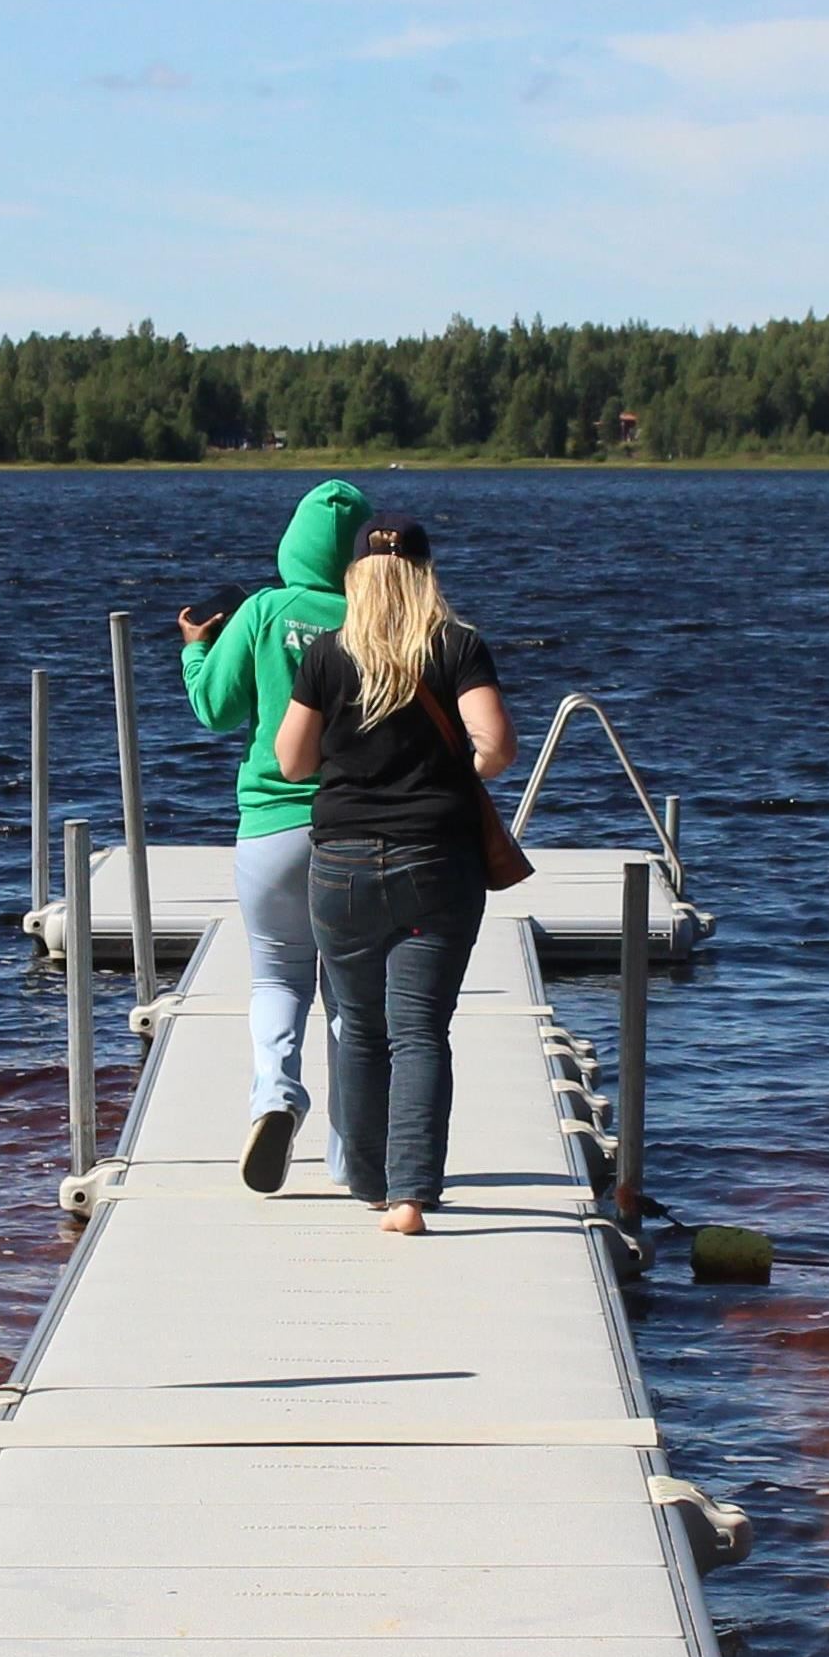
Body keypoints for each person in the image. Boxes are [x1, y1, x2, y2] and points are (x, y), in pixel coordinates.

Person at [272, 519, 512, 1234]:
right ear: (424, 572)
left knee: (358, 1027)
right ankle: (410, 1198)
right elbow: (494, 748)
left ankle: (369, 1185)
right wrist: (442, 779)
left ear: (356, 577)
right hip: (436, 858)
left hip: (341, 861)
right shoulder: (457, 645)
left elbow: (291, 762)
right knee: (420, 1032)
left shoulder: (327, 654)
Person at [175, 477, 365, 1194]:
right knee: (353, 996)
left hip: (271, 827)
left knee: (277, 976)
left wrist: (196, 650)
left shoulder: (262, 609)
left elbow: (215, 711)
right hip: (359, 829)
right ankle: (351, 1158)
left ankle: (275, 1098)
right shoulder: (378, 618)